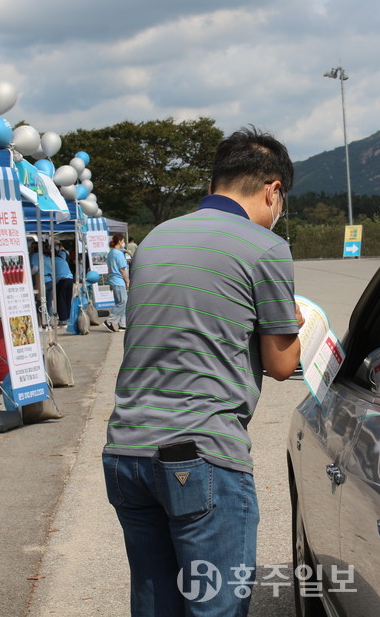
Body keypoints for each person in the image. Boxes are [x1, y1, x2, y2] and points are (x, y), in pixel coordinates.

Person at [103, 127, 302, 616]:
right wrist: (294, 324)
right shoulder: (265, 247)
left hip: (126, 452)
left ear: (215, 182)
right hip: (201, 455)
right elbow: (281, 364)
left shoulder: (154, 240)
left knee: (156, 605)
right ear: (273, 190)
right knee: (215, 605)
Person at [103, 234, 129, 332]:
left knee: (120, 302)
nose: (123, 243)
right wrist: (127, 281)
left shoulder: (111, 253)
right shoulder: (118, 254)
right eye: (123, 241)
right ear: (119, 241)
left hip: (113, 280)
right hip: (119, 280)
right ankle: (109, 321)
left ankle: (122, 324)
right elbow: (122, 269)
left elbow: (109, 269)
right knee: (123, 302)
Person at [53, 248, 74, 327]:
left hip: (62, 280)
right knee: (67, 300)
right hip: (70, 279)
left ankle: (63, 319)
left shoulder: (52, 260)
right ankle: (68, 318)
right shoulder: (62, 259)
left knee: (61, 300)